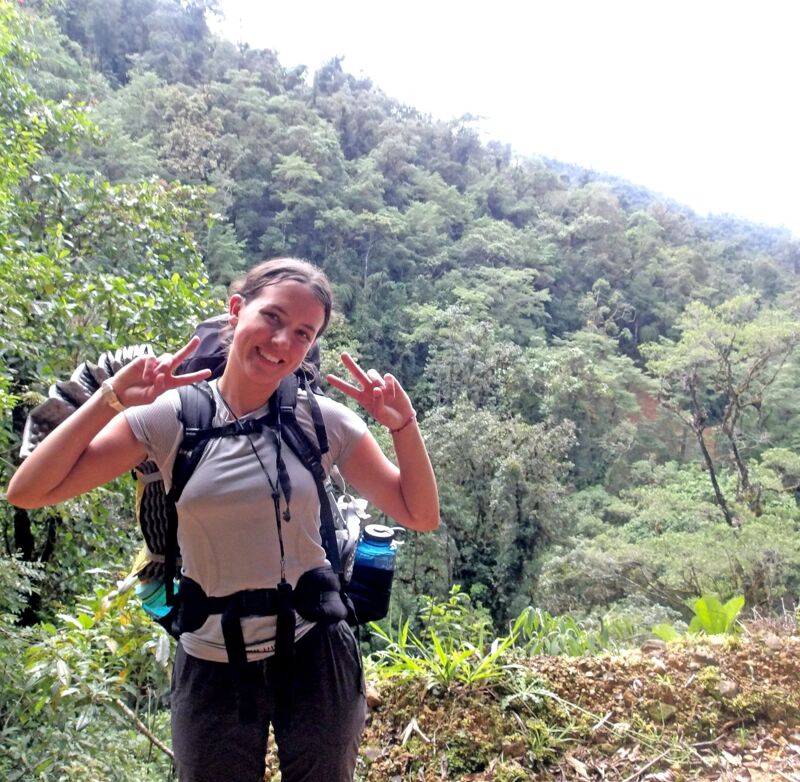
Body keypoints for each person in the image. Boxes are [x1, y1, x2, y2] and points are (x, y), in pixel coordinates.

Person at [7, 257, 440, 782]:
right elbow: (29, 491)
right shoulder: (172, 418)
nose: (282, 342)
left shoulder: (321, 420)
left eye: (303, 333)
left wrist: (404, 425)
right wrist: (111, 399)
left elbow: (419, 513)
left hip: (315, 647)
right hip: (211, 658)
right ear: (237, 311)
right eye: (273, 318)